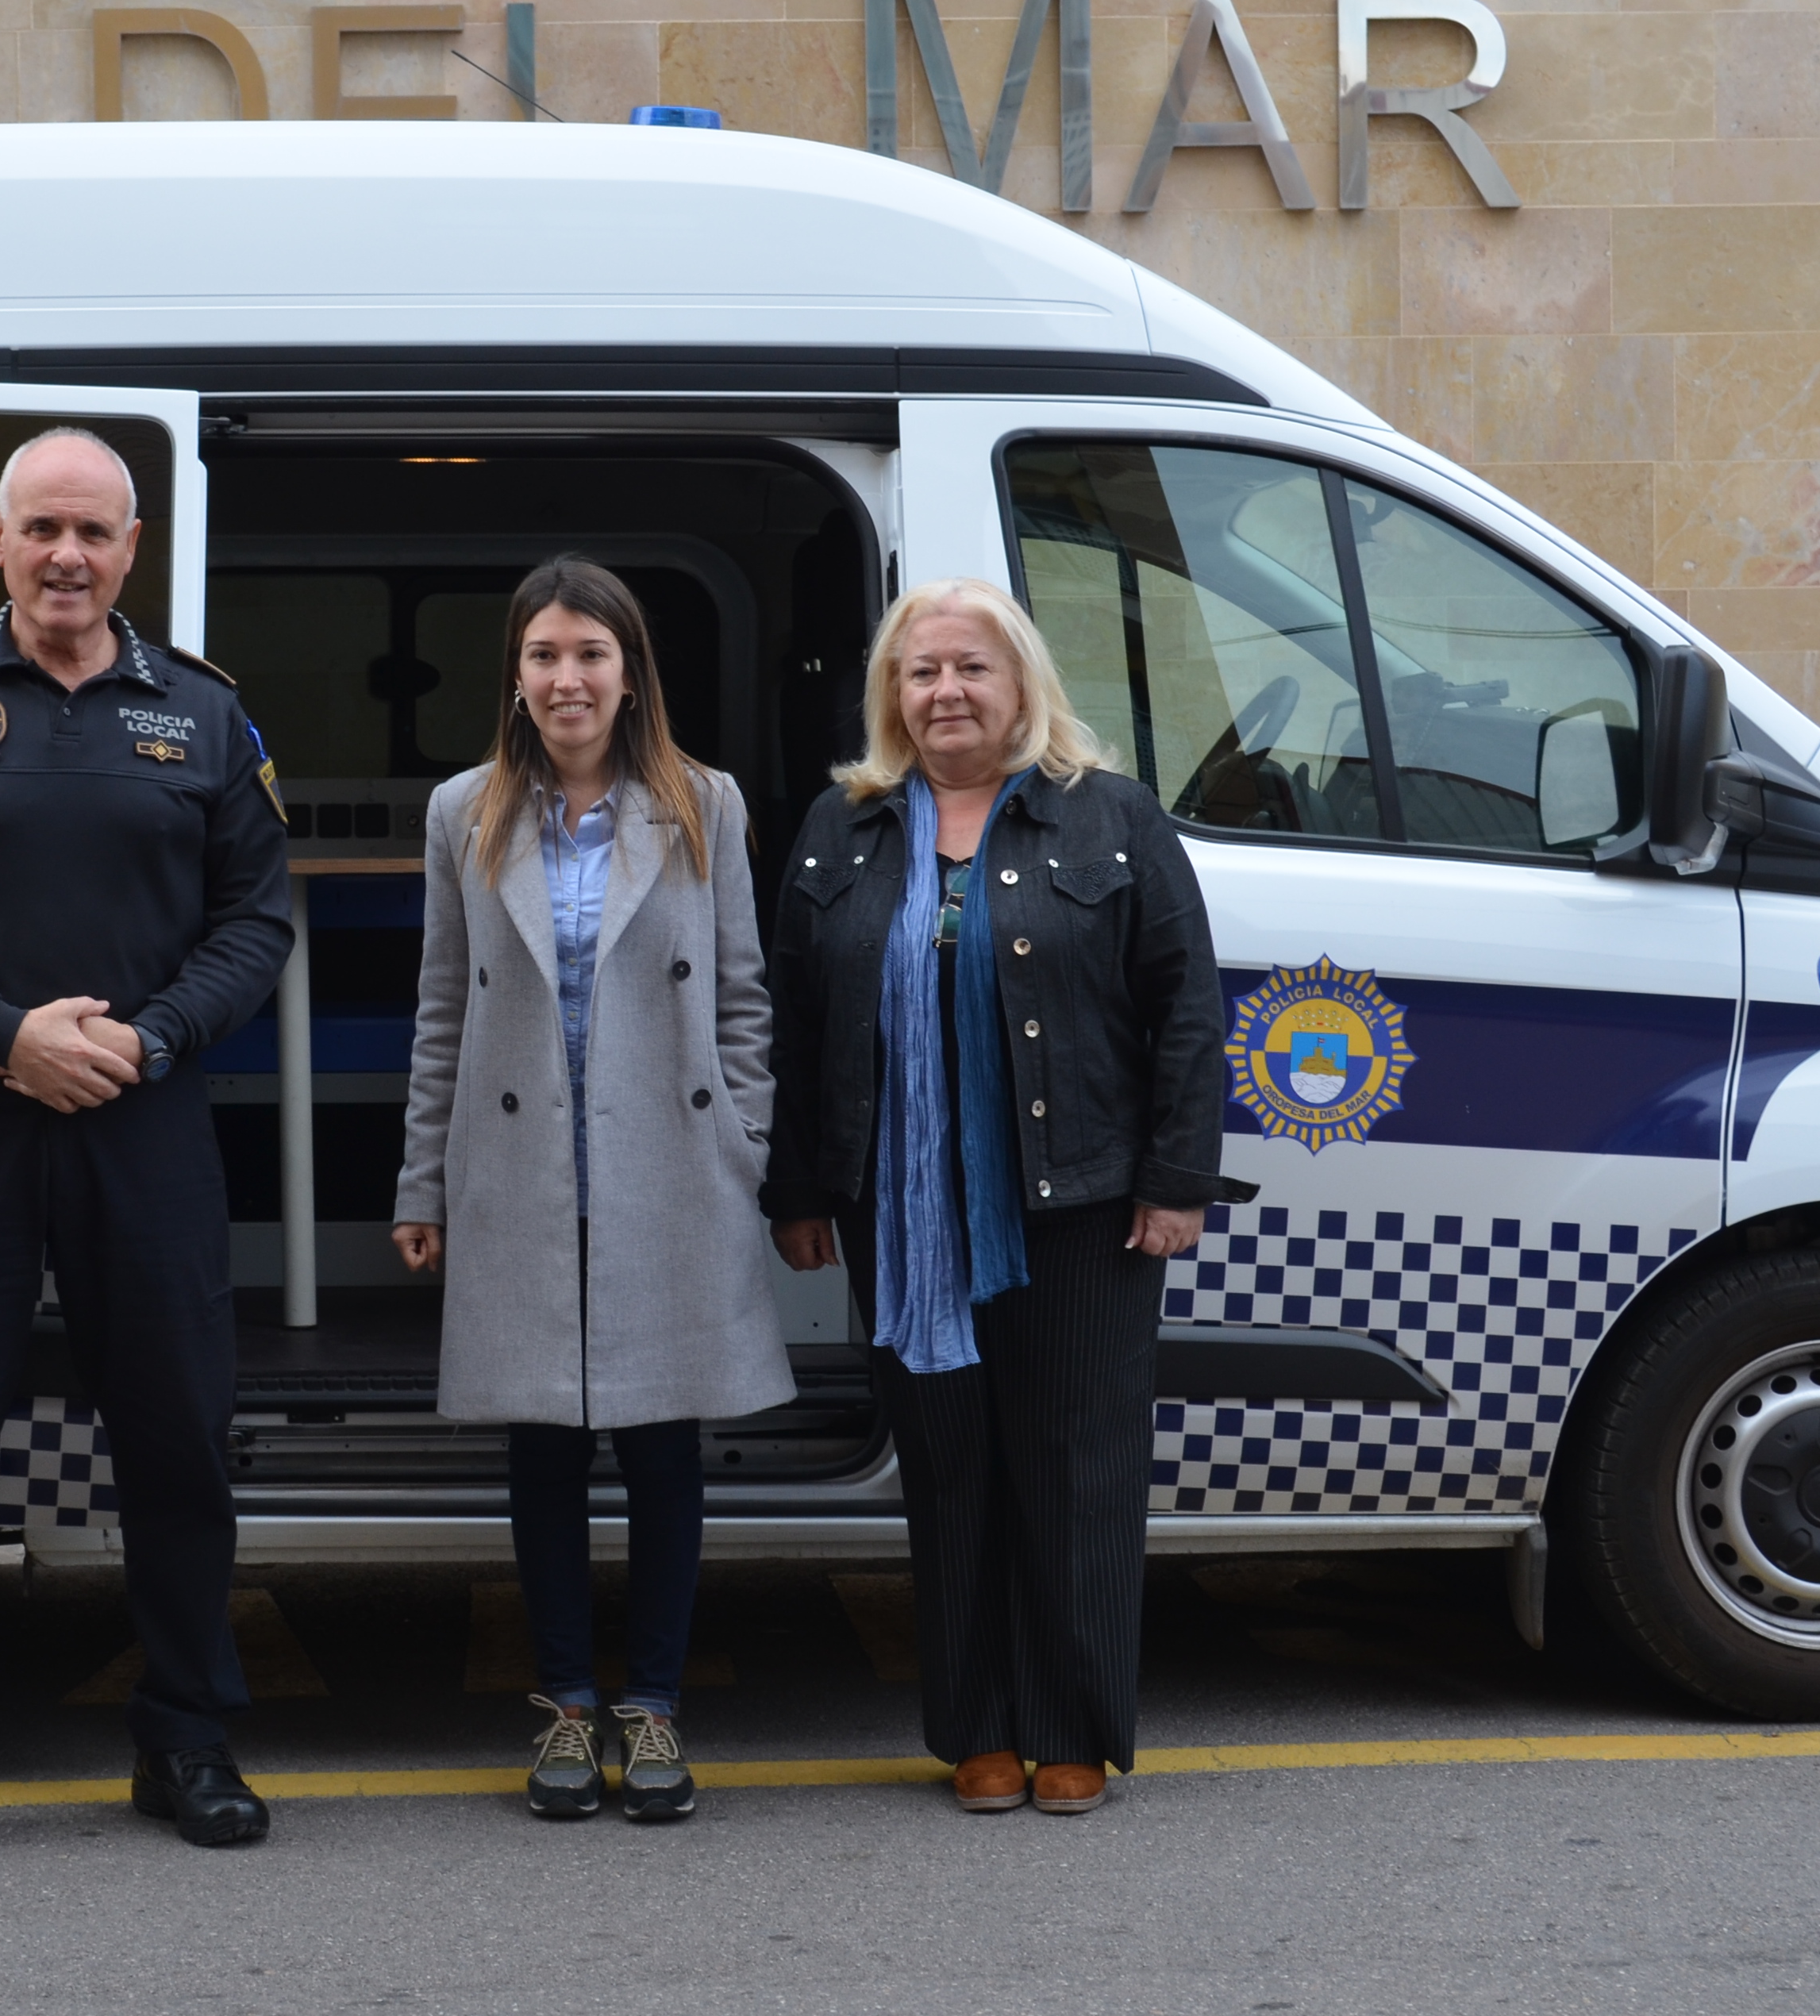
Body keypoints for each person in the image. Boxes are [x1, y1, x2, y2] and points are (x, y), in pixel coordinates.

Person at [0, 425, 294, 1874]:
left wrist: (143, 1042)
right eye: (44, 531)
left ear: (132, 549)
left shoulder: (204, 718)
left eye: (94, 532)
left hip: (143, 1129)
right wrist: (2, 1033)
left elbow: (257, 921)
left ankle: (190, 1740)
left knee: (176, 1449)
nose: (68, 556)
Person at [763, 577, 1231, 1817]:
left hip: (1081, 1200)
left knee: (1076, 1466)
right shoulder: (840, 828)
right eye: (921, 674)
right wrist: (800, 1190)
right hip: (902, 1213)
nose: (946, 693)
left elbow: (1186, 1008)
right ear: (892, 696)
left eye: (971, 668)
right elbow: (797, 1027)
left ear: (1023, 684)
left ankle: (1072, 1727)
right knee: (952, 1466)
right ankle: (974, 1728)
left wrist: (1177, 1179)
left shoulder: (1113, 818)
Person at [393, 556, 789, 1823]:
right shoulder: (466, 810)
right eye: (545, 656)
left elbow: (741, 995)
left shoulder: (702, 803)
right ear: (514, 674)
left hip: (669, 1161)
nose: (568, 680)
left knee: (667, 1446)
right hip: (518, 1164)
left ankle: (655, 1708)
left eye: (592, 656)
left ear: (630, 674)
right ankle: (568, 1705)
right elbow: (443, 1011)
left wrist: (742, 1140)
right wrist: (423, 1181)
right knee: (543, 1451)